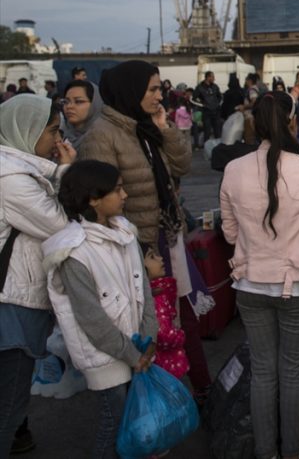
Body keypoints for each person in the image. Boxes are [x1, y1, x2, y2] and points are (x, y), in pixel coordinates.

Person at [77, 60, 211, 400]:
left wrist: (164, 128)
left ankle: (198, 389)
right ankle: (161, 403)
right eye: (152, 88)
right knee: (154, 327)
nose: (159, 94)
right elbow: (99, 205)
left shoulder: (146, 128)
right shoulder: (101, 137)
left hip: (167, 238)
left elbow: (182, 164)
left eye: (159, 87)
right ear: (131, 91)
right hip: (137, 249)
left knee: (182, 316)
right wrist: (135, 248)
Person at [219, 91, 299, 459]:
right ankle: (293, 452)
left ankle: (264, 452)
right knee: (292, 373)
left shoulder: (233, 170)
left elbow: (229, 234)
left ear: (253, 124)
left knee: (263, 373)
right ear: (291, 122)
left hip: (250, 284)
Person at [43, 159, 158, 458]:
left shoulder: (126, 232)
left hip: (137, 346)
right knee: (115, 424)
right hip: (105, 355)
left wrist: (149, 337)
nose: (125, 196)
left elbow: (142, 288)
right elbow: (91, 318)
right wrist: (133, 355)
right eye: (117, 190)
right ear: (93, 199)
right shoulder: (73, 250)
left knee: (136, 425)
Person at [0, 95, 73, 455]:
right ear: (27, 132)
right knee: (7, 408)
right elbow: (60, 225)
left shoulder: (17, 170)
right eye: (53, 131)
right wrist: (66, 172)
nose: (58, 141)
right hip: (11, 306)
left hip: (13, 299)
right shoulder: (12, 179)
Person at [141, 243, 189, 380]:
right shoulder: (156, 296)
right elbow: (163, 334)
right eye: (152, 257)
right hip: (166, 366)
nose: (160, 259)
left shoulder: (157, 290)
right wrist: (179, 335)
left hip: (164, 363)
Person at [61, 79, 104, 149]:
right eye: (66, 102)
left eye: (78, 101)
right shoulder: (60, 136)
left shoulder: (103, 140)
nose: (69, 106)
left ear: (94, 104)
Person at [194, 71, 223, 143]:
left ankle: (219, 147)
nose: (214, 79)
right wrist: (202, 104)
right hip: (206, 112)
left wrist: (217, 104)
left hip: (216, 112)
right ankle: (206, 147)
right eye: (212, 77)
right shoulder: (200, 87)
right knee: (207, 131)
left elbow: (220, 97)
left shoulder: (215, 87)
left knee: (217, 131)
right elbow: (194, 98)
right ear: (208, 77)